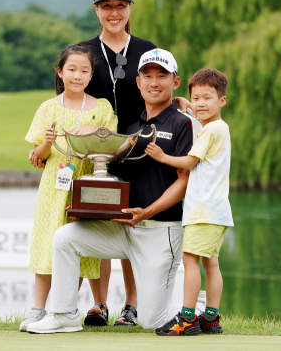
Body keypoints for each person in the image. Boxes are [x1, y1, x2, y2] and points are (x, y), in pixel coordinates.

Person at [25, 48, 199, 334]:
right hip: (123, 230)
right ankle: (64, 315)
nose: (154, 82)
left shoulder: (184, 122)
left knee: (151, 321)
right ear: (139, 82)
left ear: (175, 82)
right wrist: (90, 206)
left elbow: (185, 180)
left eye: (162, 76)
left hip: (160, 230)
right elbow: (112, 175)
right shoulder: (131, 128)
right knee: (65, 237)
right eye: (147, 76)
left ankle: (201, 309)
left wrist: (147, 211)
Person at [18, 44, 118, 332]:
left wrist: (90, 131)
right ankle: (38, 309)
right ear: (60, 72)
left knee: (78, 245)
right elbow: (40, 154)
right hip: (54, 186)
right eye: (71, 69)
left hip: (88, 184)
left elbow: (110, 140)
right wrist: (48, 142)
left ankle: (64, 308)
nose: (78, 75)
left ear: (91, 75)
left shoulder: (101, 107)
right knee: (47, 243)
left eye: (84, 70)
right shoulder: (48, 108)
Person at [144, 68, 233, 336]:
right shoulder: (220, 127)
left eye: (207, 98)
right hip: (216, 211)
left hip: (202, 210)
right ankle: (211, 317)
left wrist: (162, 156)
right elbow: (197, 112)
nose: (200, 104)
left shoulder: (209, 131)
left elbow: (189, 161)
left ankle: (187, 318)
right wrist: (185, 103)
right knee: (211, 263)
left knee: (190, 261)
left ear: (222, 101)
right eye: (196, 98)